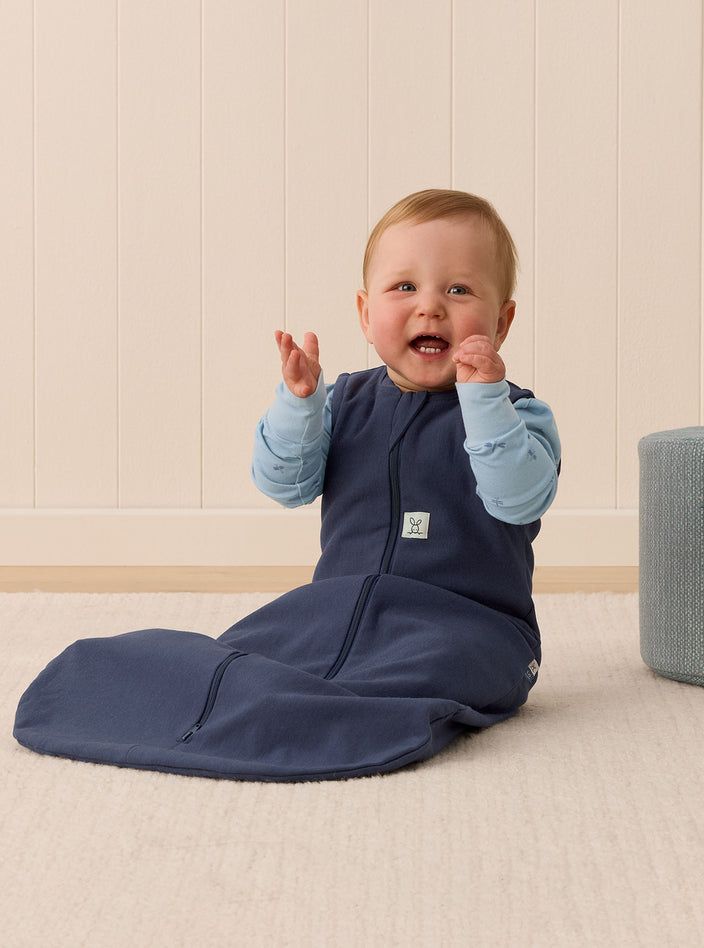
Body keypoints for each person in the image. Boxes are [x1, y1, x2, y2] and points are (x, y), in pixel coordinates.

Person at [14, 189, 560, 783]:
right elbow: (286, 484)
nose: (430, 308)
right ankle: (246, 701)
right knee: (249, 651)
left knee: (434, 668)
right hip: (335, 605)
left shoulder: (517, 414)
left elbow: (518, 496)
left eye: (459, 290)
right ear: (364, 313)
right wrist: (299, 405)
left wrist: (483, 401)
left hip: (466, 621)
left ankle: (319, 715)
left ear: (502, 322)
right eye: (404, 288)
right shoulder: (344, 402)